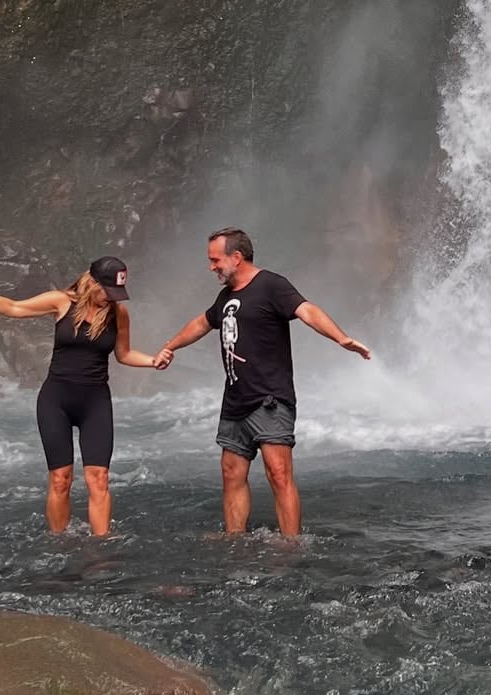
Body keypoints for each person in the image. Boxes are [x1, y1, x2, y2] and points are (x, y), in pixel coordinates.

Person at [155, 228, 370, 536]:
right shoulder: (227, 296)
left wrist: (342, 338)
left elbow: (306, 310)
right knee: (231, 473)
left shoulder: (271, 285)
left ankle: (290, 544)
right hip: (235, 400)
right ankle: (234, 539)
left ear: (237, 257)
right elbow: (203, 322)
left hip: (270, 398)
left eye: (215, 260)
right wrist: (170, 346)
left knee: (279, 473)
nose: (211, 267)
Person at [0, 256, 164, 537]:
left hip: (95, 402)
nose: (112, 298)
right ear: (93, 282)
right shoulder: (61, 302)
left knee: (99, 479)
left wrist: (153, 360)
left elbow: (124, 354)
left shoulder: (118, 314)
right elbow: (14, 307)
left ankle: (101, 547)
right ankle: (59, 542)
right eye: (108, 291)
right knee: (61, 479)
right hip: (56, 400)